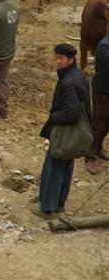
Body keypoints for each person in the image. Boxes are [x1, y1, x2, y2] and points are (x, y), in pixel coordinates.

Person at [32, 43, 91, 218]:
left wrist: (54, 118)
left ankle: (47, 208)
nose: (57, 61)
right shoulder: (79, 75)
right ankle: (59, 203)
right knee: (66, 165)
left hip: (66, 131)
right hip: (77, 131)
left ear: (70, 59)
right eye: (56, 57)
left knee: (54, 166)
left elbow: (71, 113)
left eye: (61, 58)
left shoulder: (68, 81)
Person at [85, 31, 109, 175]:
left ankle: (98, 146)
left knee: (107, 123)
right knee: (98, 123)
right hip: (102, 92)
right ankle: (90, 154)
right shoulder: (104, 46)